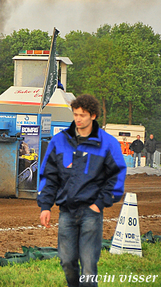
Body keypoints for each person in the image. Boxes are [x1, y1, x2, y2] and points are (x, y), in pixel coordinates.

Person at [37, 94, 127, 287]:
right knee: (67, 262)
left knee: (88, 265)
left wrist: (99, 204)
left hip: (91, 213)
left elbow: (117, 175)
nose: (78, 119)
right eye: (75, 114)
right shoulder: (59, 141)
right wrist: (45, 206)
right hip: (66, 212)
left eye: (83, 115)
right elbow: (49, 176)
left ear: (93, 116)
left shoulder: (108, 143)